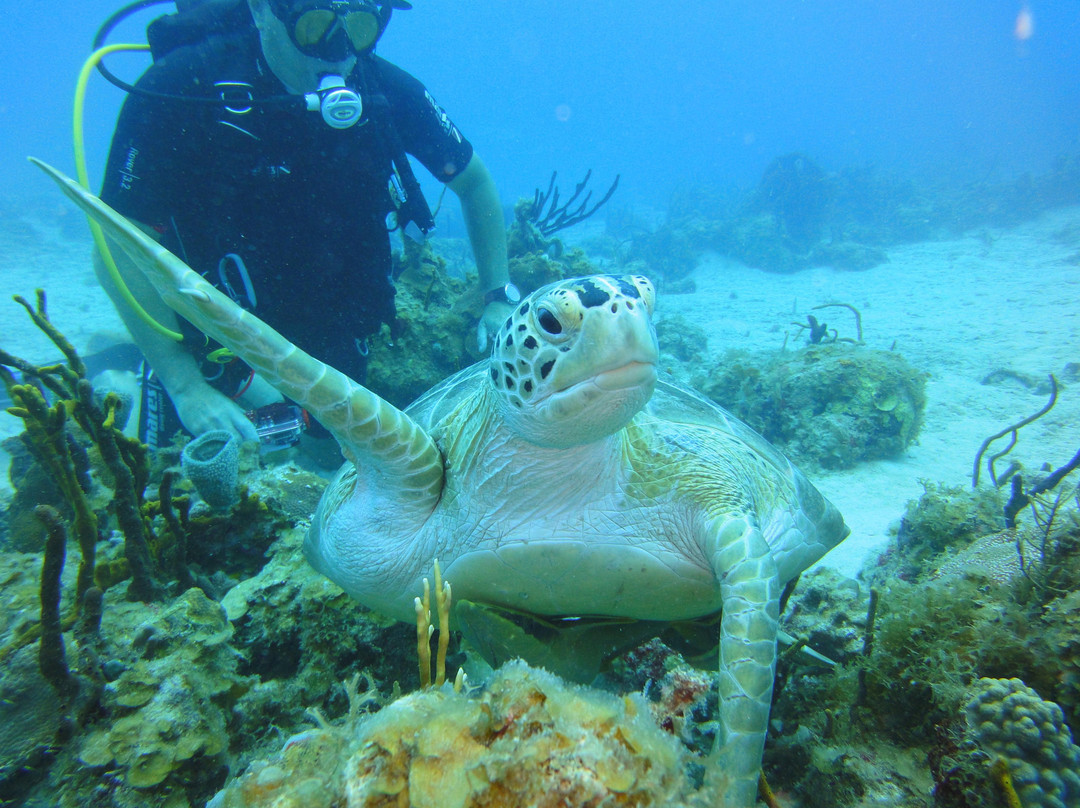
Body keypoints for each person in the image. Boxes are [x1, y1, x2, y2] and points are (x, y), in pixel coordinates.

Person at [96, 0, 515, 446]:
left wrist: (498, 296)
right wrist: (184, 386)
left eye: (359, 26)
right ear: (261, 11)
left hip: (335, 333)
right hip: (214, 349)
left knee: (330, 457)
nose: (337, 50)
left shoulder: (386, 90)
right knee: (189, 486)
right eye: (314, 26)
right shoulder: (181, 86)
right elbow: (118, 243)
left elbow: (474, 183)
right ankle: (120, 372)